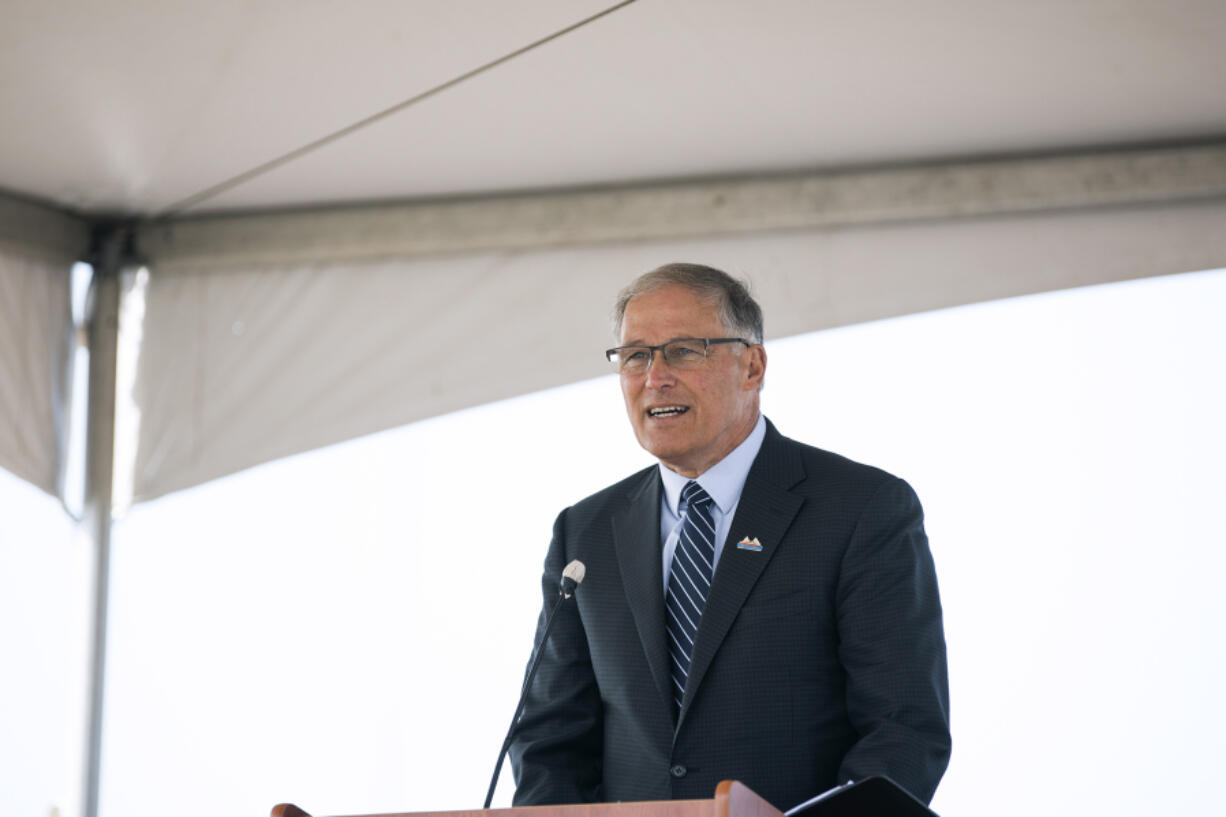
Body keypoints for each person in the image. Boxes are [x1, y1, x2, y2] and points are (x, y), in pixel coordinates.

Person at [509, 263, 950, 810]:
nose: (655, 376)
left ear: (753, 365)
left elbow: (902, 729)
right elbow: (548, 743)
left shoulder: (861, 509)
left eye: (685, 350)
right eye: (636, 356)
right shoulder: (585, 530)